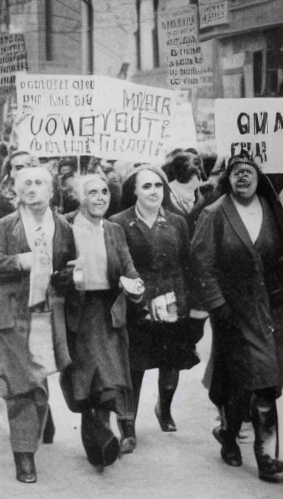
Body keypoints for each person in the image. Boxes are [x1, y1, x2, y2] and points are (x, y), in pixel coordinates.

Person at [191, 152, 283, 482]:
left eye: (249, 172)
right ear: (227, 180)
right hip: (234, 312)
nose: (243, 178)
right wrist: (218, 306)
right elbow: (201, 264)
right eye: (236, 173)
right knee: (263, 382)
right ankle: (267, 458)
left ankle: (229, 437)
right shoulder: (215, 214)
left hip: (272, 310)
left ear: (260, 177)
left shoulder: (273, 210)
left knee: (246, 382)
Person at [0, 167, 74, 483]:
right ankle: (25, 457)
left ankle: (35, 429)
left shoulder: (62, 226)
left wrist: (68, 275)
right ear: (18, 191)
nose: (33, 188)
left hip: (46, 313)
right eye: (27, 184)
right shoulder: (6, 226)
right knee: (22, 387)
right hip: (13, 313)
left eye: (40, 183)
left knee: (38, 381)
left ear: (50, 191)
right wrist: (22, 260)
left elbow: (66, 267)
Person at [109, 166, 201, 454]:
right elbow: (116, 267)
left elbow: (187, 263)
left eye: (158, 186)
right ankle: (128, 427)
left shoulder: (177, 222)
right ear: (133, 190)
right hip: (137, 304)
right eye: (146, 186)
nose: (153, 192)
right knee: (134, 365)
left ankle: (165, 409)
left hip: (173, 301)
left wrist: (192, 305)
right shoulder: (119, 222)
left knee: (171, 360)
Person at [59, 174, 143, 468]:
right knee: (87, 377)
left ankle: (101, 433)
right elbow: (53, 271)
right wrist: (66, 276)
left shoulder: (115, 230)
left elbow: (128, 267)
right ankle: (97, 432)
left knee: (108, 378)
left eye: (104, 192)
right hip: (79, 313)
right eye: (92, 192)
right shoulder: (64, 226)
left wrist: (135, 284)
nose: (99, 198)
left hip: (109, 311)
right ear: (80, 198)